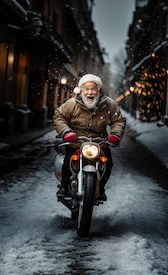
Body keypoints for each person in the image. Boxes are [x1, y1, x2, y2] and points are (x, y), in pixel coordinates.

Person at [53, 73, 126, 201]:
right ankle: (64, 186)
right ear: (82, 90)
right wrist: (66, 132)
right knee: (68, 161)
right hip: (76, 141)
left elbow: (118, 120)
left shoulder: (108, 104)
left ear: (99, 90)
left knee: (107, 164)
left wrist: (115, 134)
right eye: (87, 89)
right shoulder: (72, 104)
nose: (90, 92)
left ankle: (101, 188)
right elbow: (59, 116)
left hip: (100, 143)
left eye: (93, 88)